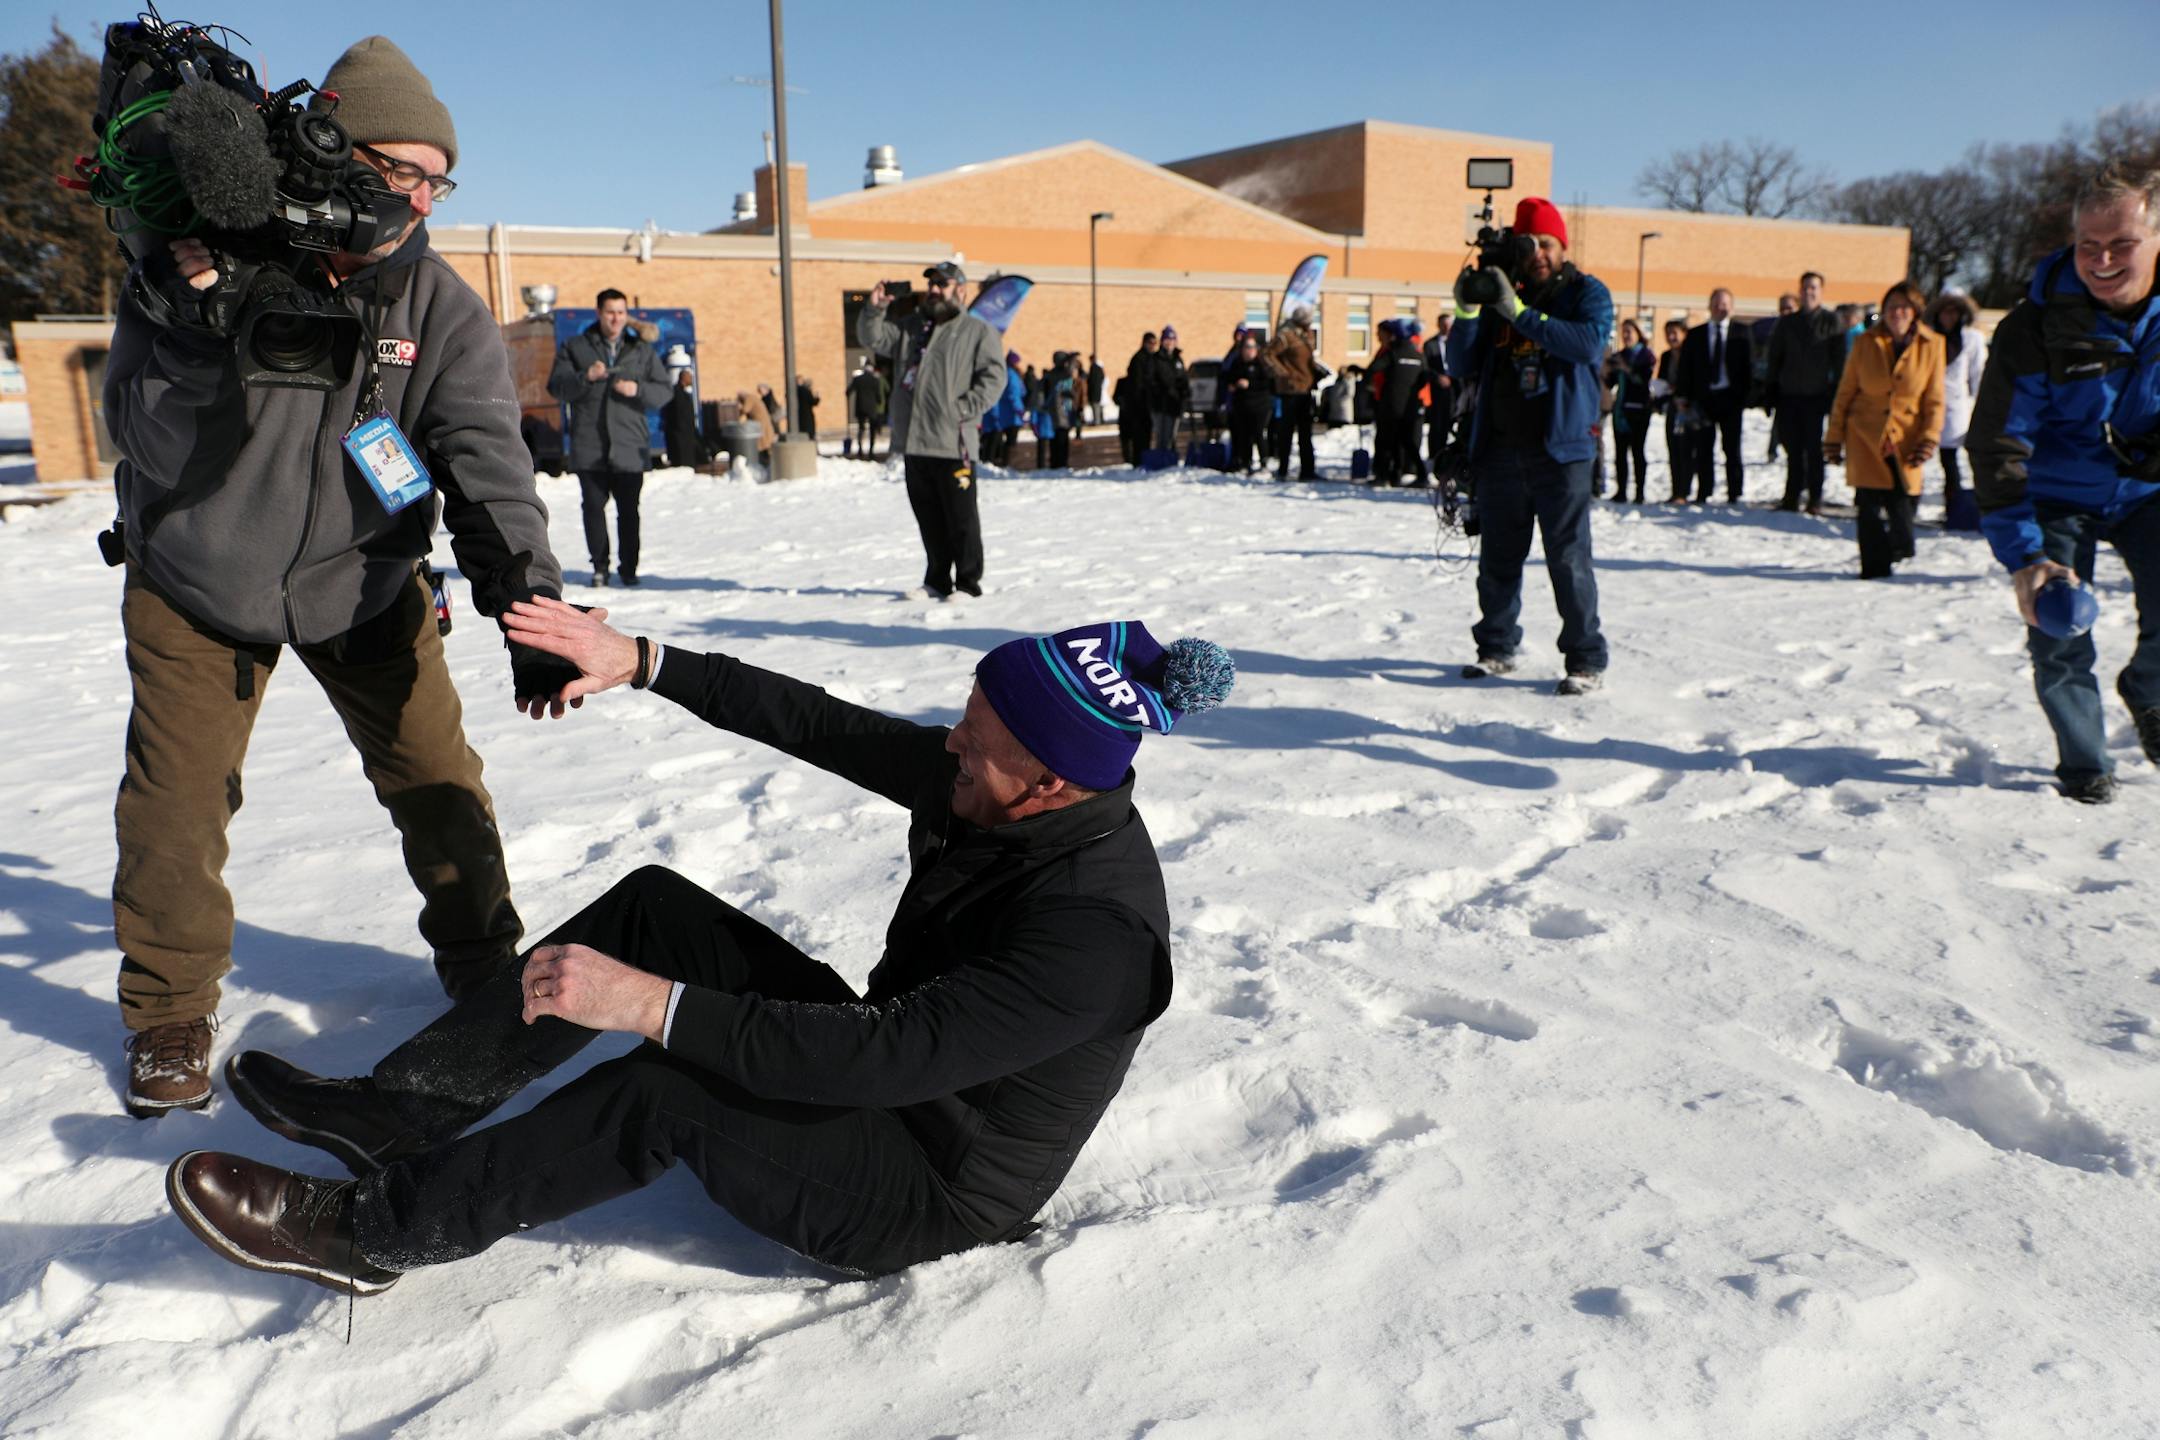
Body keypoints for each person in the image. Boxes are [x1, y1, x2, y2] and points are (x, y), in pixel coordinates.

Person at [163, 606, 1236, 1295]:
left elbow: (885, 1058)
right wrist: (645, 662)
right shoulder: (996, 790)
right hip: (875, 1068)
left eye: (977, 739)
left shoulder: (1095, 936)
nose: (950, 741)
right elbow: (821, 724)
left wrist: (650, 1007)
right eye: (964, 714)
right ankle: (404, 1111)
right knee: (657, 908)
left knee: (664, 1086)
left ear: (1051, 783)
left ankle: (374, 1232)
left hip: (923, 1183)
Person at [103, 35, 577, 1120]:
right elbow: (141, 439)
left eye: (434, 177)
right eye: (394, 167)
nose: (414, 196)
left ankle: (482, 960)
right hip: (196, 583)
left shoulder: (439, 307)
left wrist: (528, 599)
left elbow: (486, 459)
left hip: (365, 583)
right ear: (327, 151)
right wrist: (192, 336)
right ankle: (169, 1007)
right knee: (175, 804)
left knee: (435, 778)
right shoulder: (197, 257)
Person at [1969, 159, 2160, 805]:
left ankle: (2150, 689)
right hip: (2057, 494)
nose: (2102, 259)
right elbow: (1998, 444)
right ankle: (2085, 760)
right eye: (2088, 245)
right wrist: (2026, 557)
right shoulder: (2033, 328)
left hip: (2147, 494)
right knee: (2058, 620)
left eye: (2123, 244)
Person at [1448, 196, 1614, 695]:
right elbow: (1459, 363)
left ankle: (1585, 659)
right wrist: (1467, 309)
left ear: (1563, 246)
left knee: (1567, 558)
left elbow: (1585, 344)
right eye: (1531, 243)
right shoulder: (1503, 291)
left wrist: (1517, 311)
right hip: (1501, 448)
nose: (1540, 252)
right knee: (1498, 558)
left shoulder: (1587, 292)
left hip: (1562, 450)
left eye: (1548, 243)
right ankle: (1496, 647)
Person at [857, 262, 1007, 599]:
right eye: (931, 284)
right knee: (929, 519)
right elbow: (873, 337)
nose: (934, 290)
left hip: (954, 443)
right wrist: (876, 307)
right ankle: (936, 579)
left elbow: (994, 378)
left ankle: (968, 583)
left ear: (961, 291)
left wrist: (962, 410)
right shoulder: (911, 329)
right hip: (915, 441)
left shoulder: (978, 332)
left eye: (943, 283)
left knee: (961, 519)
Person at [550, 289, 672, 588]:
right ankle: (600, 567)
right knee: (593, 509)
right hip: (590, 445)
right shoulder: (576, 347)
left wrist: (638, 390)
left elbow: (665, 390)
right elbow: (556, 387)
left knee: (629, 512)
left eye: (620, 312)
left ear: (626, 315)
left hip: (630, 446)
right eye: (609, 312)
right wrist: (585, 378)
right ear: (599, 313)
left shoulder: (641, 350)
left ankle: (629, 568)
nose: (615, 318)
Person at [1825, 281, 1944, 580]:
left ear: (1915, 311)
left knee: (1903, 510)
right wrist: (1833, 438)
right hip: (1865, 435)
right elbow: (1846, 391)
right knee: (1868, 507)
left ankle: (1896, 550)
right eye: (1891, 307)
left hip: (1907, 439)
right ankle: (1873, 570)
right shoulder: (1866, 342)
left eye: (1904, 307)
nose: (1897, 313)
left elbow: (1934, 399)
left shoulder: (1933, 345)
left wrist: (1929, 438)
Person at [1766, 272, 1848, 515]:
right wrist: (1770, 390)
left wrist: (1836, 395)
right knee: (1792, 447)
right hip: (1789, 395)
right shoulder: (1788, 323)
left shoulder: (1831, 321)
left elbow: (1839, 362)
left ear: (1821, 291)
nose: (1809, 292)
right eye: (1805, 288)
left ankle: (1815, 497)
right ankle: (1791, 496)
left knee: (1813, 449)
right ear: (1800, 291)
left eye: (1814, 288)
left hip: (1816, 395)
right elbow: (1775, 358)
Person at [1675, 288, 1752, 503]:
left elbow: (1749, 367)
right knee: (1703, 448)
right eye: (1717, 304)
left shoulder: (1742, 332)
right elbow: (1685, 367)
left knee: (1732, 448)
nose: (1721, 308)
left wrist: (1745, 396)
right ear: (1709, 306)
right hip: (1704, 399)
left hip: (1731, 398)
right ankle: (1704, 491)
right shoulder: (1696, 334)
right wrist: (1683, 395)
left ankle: (1734, 492)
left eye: (1725, 304)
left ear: (1732, 307)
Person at [1930, 291, 1988, 529]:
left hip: (1957, 406)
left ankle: (1956, 508)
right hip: (1929, 404)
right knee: (1932, 459)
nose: (1949, 316)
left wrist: (1979, 403)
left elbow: (1978, 372)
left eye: (1954, 311)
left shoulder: (1971, 338)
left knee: (1953, 459)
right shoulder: (1931, 335)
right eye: (1945, 311)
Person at [1264, 307, 1321, 481]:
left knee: (1306, 433)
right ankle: (1283, 469)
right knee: (1286, 432)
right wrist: (1282, 373)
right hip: (1290, 391)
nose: (1309, 324)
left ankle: (1307, 471)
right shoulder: (1286, 336)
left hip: (1306, 389)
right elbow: (1267, 354)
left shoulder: (1308, 336)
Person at [1605, 319, 1656, 502]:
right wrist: (1606, 369)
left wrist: (1625, 369)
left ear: (1638, 333)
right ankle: (1621, 491)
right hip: (1621, 410)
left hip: (1639, 410)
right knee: (1620, 453)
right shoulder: (1619, 356)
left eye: (1630, 331)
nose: (1626, 335)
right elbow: (1610, 383)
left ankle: (1639, 492)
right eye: (1623, 332)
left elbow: (1643, 380)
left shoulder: (1646, 355)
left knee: (1637, 451)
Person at [1376, 319, 1431, 486]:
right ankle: (1411, 474)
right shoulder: (1417, 353)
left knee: (1389, 440)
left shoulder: (1392, 352)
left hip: (1392, 404)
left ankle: (1389, 475)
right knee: (1406, 441)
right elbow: (1424, 377)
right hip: (1411, 404)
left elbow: (1375, 370)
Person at [1222, 331, 1276, 475]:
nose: (1249, 350)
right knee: (1244, 435)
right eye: (1246, 347)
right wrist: (1233, 384)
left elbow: (1268, 383)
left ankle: (1264, 462)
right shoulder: (1237, 363)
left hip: (1260, 405)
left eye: (1252, 347)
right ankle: (1245, 462)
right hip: (1242, 405)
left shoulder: (1261, 364)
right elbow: (1227, 377)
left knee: (1258, 433)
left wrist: (1250, 383)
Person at [1654, 318, 1690, 502]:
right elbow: (1661, 379)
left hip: (1688, 408)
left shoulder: (1690, 354)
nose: (1671, 337)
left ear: (1684, 333)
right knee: (1673, 448)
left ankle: (1685, 491)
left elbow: (1693, 380)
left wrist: (1679, 391)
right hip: (1671, 407)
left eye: (1675, 332)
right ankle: (1676, 490)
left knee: (1686, 450)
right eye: (1668, 333)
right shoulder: (1667, 356)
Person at [1421, 313, 1457, 462]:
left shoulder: (1457, 343)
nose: (1446, 327)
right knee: (1437, 426)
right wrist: (1437, 378)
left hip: (1455, 390)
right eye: (1443, 324)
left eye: (1449, 324)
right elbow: (1425, 367)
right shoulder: (1430, 345)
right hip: (1437, 391)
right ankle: (1435, 456)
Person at [1149, 326, 1190, 454]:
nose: (1170, 342)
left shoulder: (1178, 359)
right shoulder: (1156, 359)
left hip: (1175, 403)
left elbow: (1183, 378)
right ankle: (1161, 459)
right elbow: (1151, 381)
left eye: (1172, 339)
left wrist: (1185, 391)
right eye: (1167, 339)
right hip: (1160, 404)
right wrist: (1161, 390)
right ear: (1162, 341)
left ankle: (1170, 458)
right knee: (1162, 435)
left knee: (1172, 435)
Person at [983, 349, 1027, 466]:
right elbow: (1014, 394)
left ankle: (1003, 463)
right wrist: (1019, 411)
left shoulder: (1005, 373)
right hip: (1011, 414)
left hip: (1004, 412)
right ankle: (1008, 464)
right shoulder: (1011, 375)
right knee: (1010, 441)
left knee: (1001, 440)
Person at [661, 367, 705, 469]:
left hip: (686, 436)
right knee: (683, 465)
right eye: (689, 377)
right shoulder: (677, 394)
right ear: (684, 378)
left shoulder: (683, 394)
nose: (691, 380)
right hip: (681, 439)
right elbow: (678, 415)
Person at [847, 357, 886, 458]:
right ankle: (871, 451)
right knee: (872, 429)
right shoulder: (875, 380)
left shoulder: (858, 379)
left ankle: (860, 449)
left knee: (861, 428)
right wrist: (879, 401)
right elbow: (878, 396)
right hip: (871, 408)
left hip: (860, 407)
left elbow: (848, 391)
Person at [794, 373, 820, 443]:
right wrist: (817, 397)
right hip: (807, 415)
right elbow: (813, 402)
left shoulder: (793, 390)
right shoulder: (805, 390)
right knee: (809, 433)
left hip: (798, 415)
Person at [1087, 354, 1106, 425]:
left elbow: (1091, 380)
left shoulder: (1093, 368)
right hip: (1098, 390)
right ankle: (1098, 420)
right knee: (1097, 406)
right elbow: (1102, 377)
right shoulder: (1099, 368)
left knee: (1095, 406)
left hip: (1094, 390)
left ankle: (1097, 421)